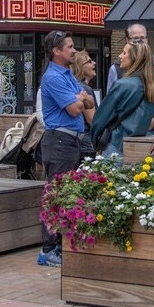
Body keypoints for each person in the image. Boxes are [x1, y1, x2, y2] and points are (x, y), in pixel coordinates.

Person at [38, 31, 95, 267]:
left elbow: (89, 101)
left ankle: (59, 245)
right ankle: (48, 249)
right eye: (69, 47)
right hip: (59, 141)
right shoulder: (53, 77)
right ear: (56, 51)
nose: (74, 51)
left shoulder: (68, 74)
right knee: (55, 194)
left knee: (66, 192)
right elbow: (74, 109)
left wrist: (80, 98)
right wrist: (79, 99)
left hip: (71, 141)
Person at [90, 42, 154, 162]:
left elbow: (101, 117)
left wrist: (96, 141)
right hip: (142, 146)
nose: (120, 56)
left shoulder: (123, 85)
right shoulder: (152, 87)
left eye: (124, 53)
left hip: (117, 144)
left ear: (134, 58)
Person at [106, 23, 154, 94]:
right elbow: (111, 97)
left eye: (142, 38)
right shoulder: (116, 68)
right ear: (127, 40)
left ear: (147, 39)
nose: (139, 42)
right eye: (135, 38)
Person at [69, 50, 98, 161]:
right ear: (80, 67)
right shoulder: (84, 88)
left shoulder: (75, 85)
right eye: (89, 61)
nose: (94, 63)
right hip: (87, 144)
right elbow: (92, 120)